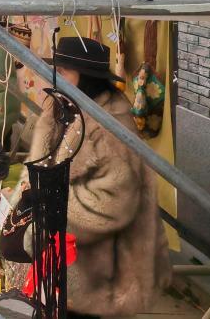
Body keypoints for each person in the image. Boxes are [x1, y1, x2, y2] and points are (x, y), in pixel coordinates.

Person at [29, 37, 170, 317]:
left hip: (101, 270)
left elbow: (113, 200)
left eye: (64, 71)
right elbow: (42, 162)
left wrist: (53, 206)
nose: (56, 78)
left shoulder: (112, 121)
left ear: (87, 77)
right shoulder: (64, 109)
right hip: (69, 258)